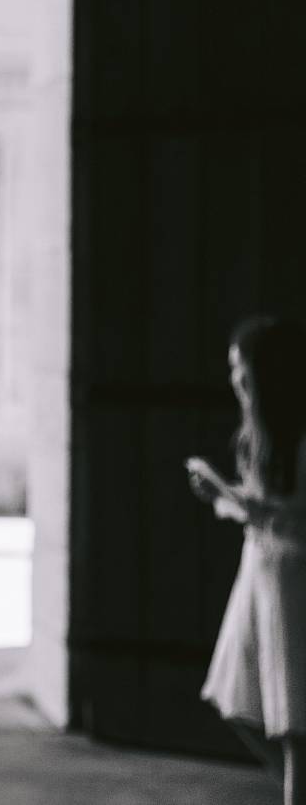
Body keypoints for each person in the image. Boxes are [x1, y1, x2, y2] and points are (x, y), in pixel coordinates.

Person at [188, 315, 306, 805]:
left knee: (292, 716)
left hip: (293, 576)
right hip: (258, 570)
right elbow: (261, 505)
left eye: (243, 368)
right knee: (238, 700)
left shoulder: (299, 438)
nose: (236, 378)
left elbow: (291, 511)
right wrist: (224, 496)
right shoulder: (256, 436)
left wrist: (241, 501)